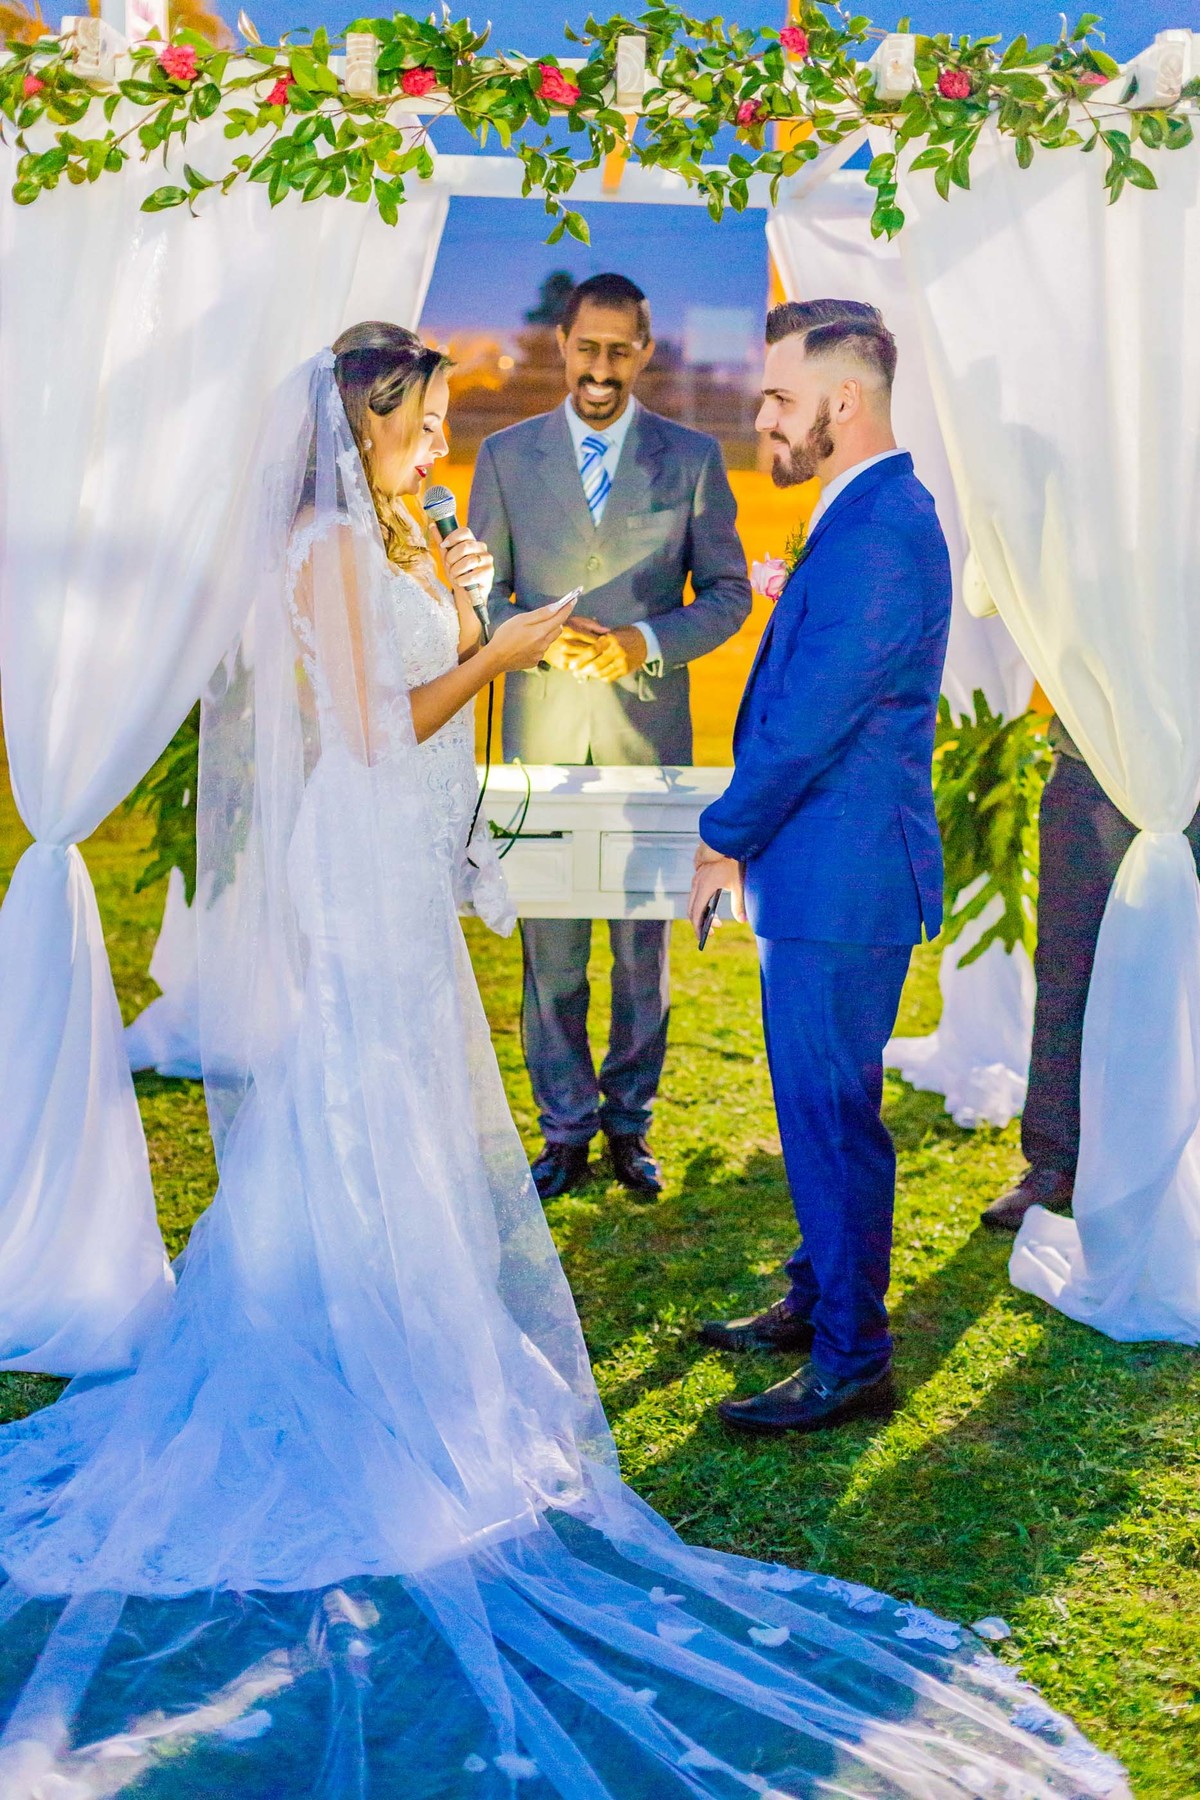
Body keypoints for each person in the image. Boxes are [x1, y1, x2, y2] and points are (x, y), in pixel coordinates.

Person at [0, 324, 1124, 1800]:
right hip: (364, 845)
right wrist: (505, 646)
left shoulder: (405, 535)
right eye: (424, 421)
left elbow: (442, 688)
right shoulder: (330, 547)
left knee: (406, 1087)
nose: (439, 442)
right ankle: (333, 1321)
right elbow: (372, 724)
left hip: (417, 853)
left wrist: (469, 617)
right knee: (362, 1086)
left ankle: (434, 1306)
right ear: (368, 424)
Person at [691, 300, 952, 1437]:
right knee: (820, 1104)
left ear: (844, 404)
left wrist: (721, 832)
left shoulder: (887, 528)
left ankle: (854, 1356)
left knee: (831, 1115)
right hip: (828, 869)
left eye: (782, 399)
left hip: (845, 883)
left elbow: (809, 721)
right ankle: (817, 1297)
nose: (765, 418)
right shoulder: (859, 515)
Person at [469, 273, 751, 1202]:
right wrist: (540, 639)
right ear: (564, 343)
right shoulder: (506, 457)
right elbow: (478, 596)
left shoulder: (695, 458)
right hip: (538, 745)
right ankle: (565, 1130)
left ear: (644, 349)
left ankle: (631, 1126)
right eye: (586, 347)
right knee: (549, 955)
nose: (601, 366)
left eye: (618, 349)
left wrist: (645, 641)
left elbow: (727, 597)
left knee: (642, 954)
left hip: (648, 748)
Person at [981, 716, 1200, 1231]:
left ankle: (1171, 1167)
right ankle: (1056, 1163)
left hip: (1192, 777)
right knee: (1066, 969)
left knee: (1182, 986)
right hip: (1093, 766)